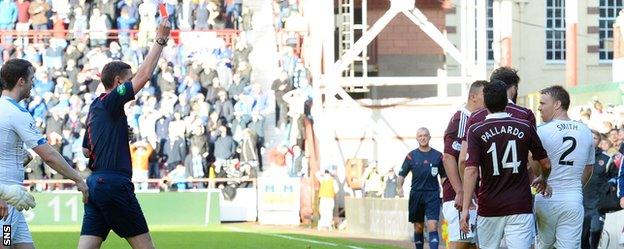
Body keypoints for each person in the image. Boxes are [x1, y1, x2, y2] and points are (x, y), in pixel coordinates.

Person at [78, 20, 171, 249]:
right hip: (113, 185)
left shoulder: (95, 107)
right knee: (145, 246)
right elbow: (144, 76)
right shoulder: (112, 99)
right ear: (118, 82)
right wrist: (160, 39)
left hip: (95, 185)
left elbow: (86, 149)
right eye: (127, 80)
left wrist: (116, 135)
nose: (132, 86)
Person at [0, 58, 89, 249]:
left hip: (13, 201)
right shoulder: (17, 113)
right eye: (32, 79)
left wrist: (18, 159)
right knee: (4, 244)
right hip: (6, 201)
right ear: (21, 81)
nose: (34, 84)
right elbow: (48, 155)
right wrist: (78, 179)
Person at [460, 80, 551, 249]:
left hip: (489, 206)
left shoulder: (476, 130)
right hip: (520, 206)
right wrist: (543, 178)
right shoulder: (525, 126)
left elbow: (470, 169)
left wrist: (466, 208)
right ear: (506, 100)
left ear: (486, 102)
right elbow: (545, 164)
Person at [534, 86, 595, 249]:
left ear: (557, 104)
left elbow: (532, 164)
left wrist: (539, 181)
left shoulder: (541, 131)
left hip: (546, 197)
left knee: (544, 246)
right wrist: (574, 189)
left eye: (542, 103)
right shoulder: (586, 131)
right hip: (572, 199)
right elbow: (589, 168)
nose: (539, 107)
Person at [457, 67, 536, 188]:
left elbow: (463, 160)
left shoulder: (475, 117)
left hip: (487, 194)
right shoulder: (525, 115)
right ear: (514, 89)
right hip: (519, 194)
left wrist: (469, 192)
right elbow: (531, 157)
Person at [441, 80, 486, 248]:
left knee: (471, 244)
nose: (487, 100)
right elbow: (449, 157)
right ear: (473, 97)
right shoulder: (462, 119)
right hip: (459, 197)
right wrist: (460, 191)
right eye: (484, 96)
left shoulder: (474, 120)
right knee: (462, 241)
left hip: (471, 196)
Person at [398, 127, 444, 249]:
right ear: (417, 138)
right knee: (418, 226)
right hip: (416, 194)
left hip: (433, 194)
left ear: (429, 137)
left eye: (425, 135)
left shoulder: (438, 156)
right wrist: (399, 187)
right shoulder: (411, 156)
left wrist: (447, 191)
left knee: (433, 225)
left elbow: (444, 176)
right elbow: (402, 174)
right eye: (420, 136)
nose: (423, 138)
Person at [582, 131, 617, 249]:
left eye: (595, 138)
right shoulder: (578, 157)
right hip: (580, 203)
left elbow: (615, 175)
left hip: (598, 204)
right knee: (582, 236)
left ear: (599, 141)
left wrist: (610, 185)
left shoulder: (607, 159)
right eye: (589, 137)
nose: (592, 140)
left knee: (595, 230)